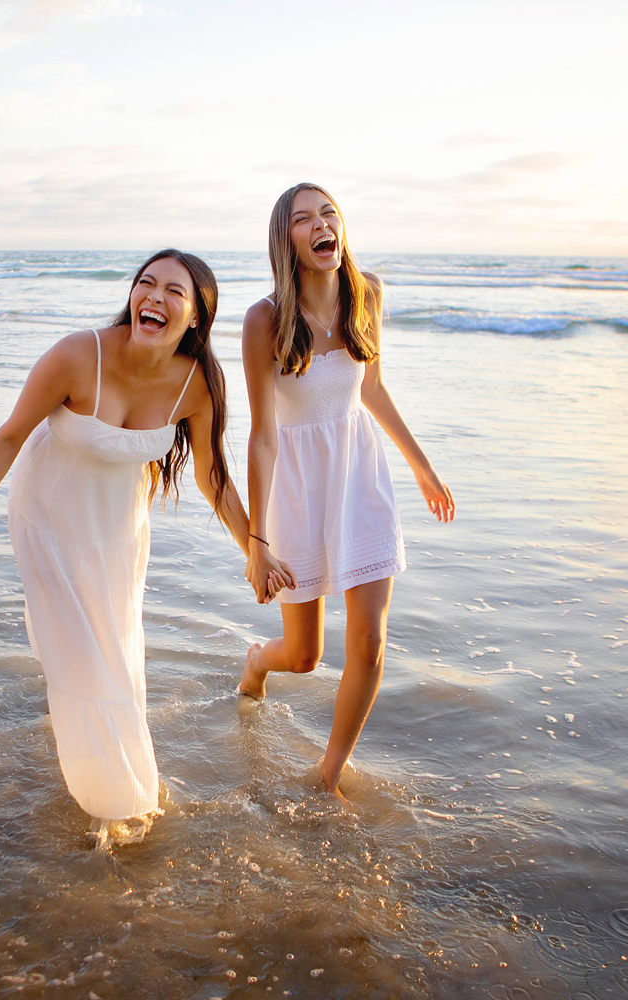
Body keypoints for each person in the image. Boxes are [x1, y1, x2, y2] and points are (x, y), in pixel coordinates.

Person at [0, 249, 283, 830]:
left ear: (196, 315)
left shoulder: (197, 383)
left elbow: (211, 475)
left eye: (175, 291)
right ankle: (111, 805)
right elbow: (10, 436)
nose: (155, 297)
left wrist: (255, 546)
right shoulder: (78, 355)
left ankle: (115, 780)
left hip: (119, 533)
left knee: (116, 657)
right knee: (84, 665)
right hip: (48, 520)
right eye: (146, 283)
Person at [239, 183, 454, 801]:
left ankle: (328, 774)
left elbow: (373, 390)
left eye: (328, 212)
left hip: (361, 478)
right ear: (288, 240)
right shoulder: (265, 320)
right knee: (304, 655)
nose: (321, 224)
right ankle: (258, 660)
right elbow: (260, 438)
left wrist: (422, 467)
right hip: (299, 488)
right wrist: (257, 539)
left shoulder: (369, 294)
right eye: (304, 219)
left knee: (369, 638)